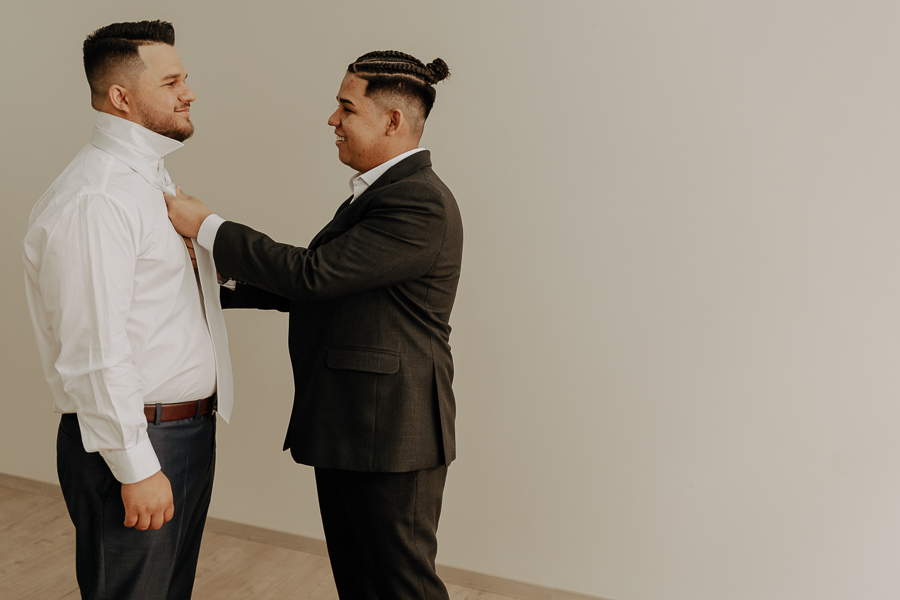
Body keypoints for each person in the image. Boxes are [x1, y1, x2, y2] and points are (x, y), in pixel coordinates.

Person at [165, 50, 462, 599]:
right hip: (355, 428)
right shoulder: (384, 195)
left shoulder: (419, 202)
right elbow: (327, 287)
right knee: (361, 584)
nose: (333, 120)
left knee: (403, 588)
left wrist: (208, 227)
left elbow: (313, 275)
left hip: (391, 434)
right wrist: (212, 280)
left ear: (392, 120)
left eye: (346, 108)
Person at [22, 20, 233, 600]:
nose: (189, 93)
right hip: (137, 439)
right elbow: (92, 349)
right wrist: (136, 465)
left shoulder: (149, 182)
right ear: (121, 96)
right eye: (171, 82)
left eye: (184, 79)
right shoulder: (97, 197)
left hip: (182, 433)